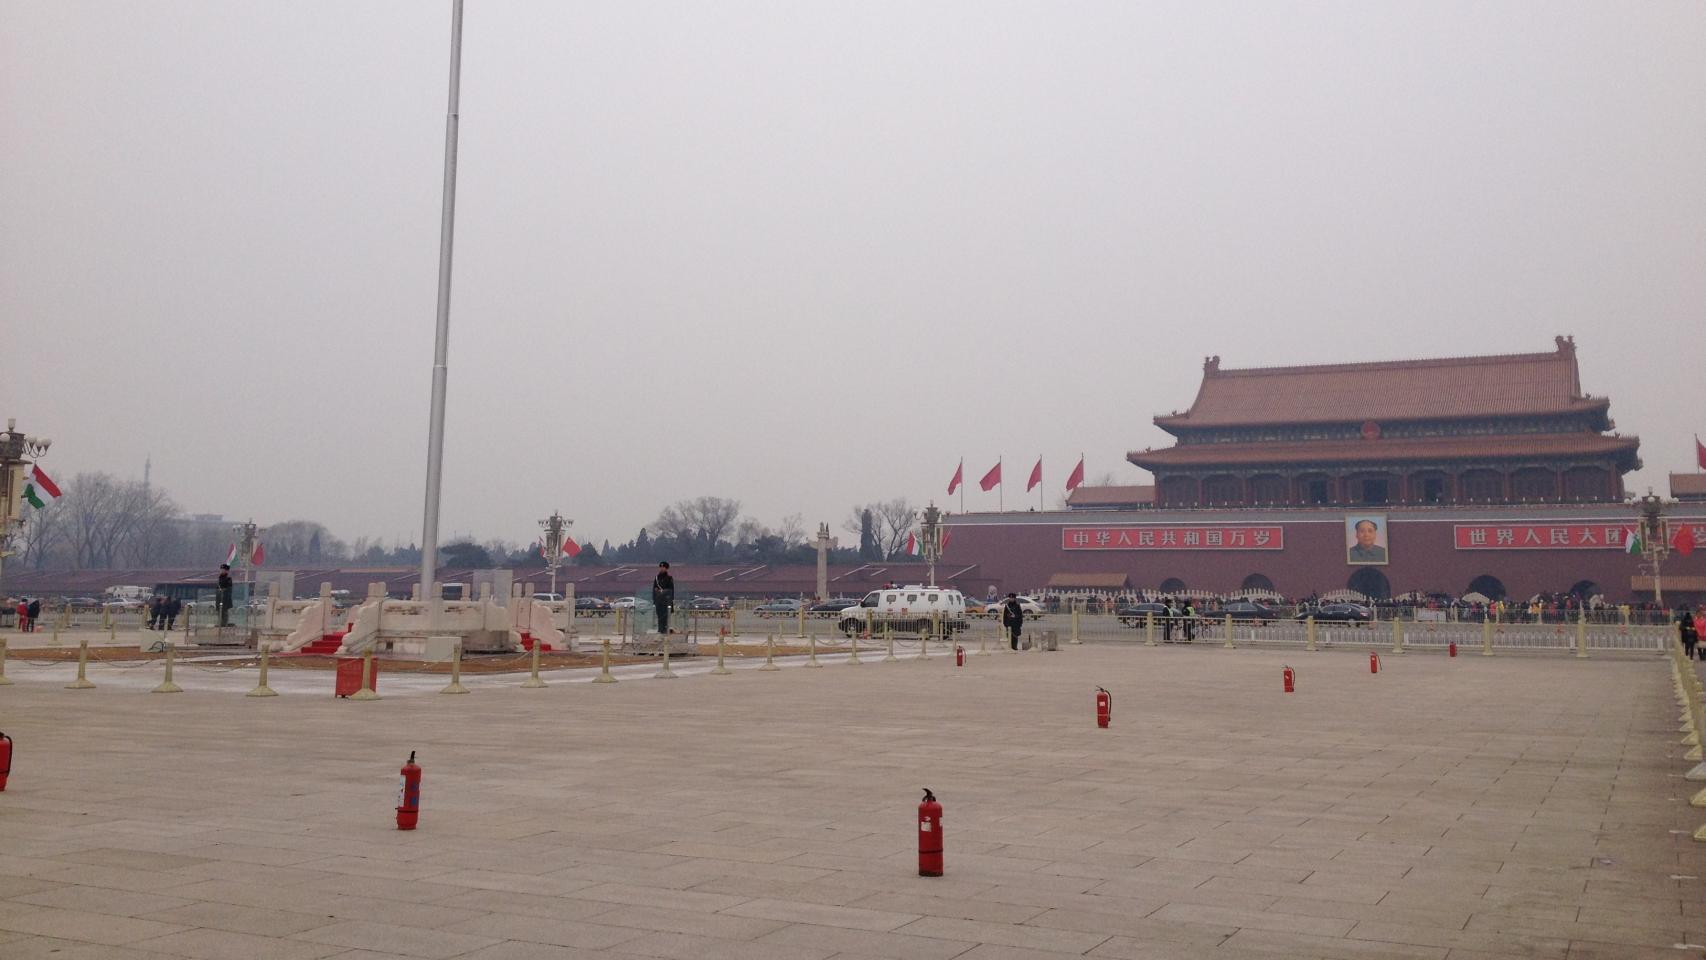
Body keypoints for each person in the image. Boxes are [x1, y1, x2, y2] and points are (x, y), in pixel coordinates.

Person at [651, 561, 675, 635]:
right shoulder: (657, 578)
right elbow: (654, 588)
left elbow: (671, 589)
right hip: (659, 601)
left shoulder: (669, 578)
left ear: (666, 568)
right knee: (660, 616)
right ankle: (660, 630)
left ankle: (665, 630)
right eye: (660, 567)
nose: (661, 568)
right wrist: (654, 600)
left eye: (663, 567)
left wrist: (663, 592)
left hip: (666, 601)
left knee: (665, 617)